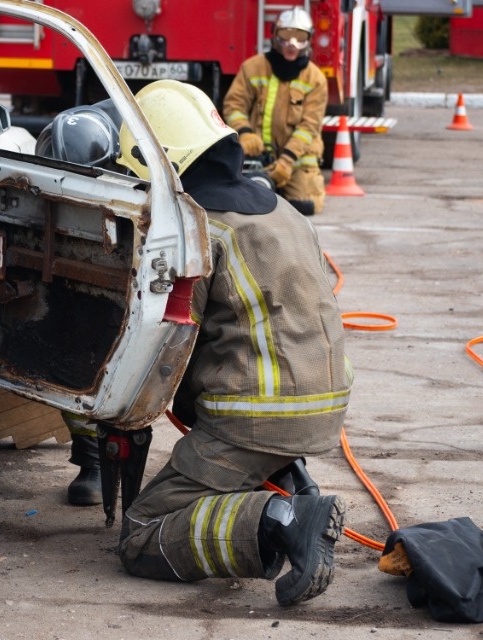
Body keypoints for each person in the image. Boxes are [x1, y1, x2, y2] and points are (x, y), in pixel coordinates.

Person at [114, 79, 351, 606]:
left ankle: (280, 518)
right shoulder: (283, 210)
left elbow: (168, 344)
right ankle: (291, 488)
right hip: (324, 404)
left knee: (140, 533)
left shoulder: (197, 230)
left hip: (255, 417)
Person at [35, 103, 123, 506]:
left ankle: (116, 456)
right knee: (64, 355)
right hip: (73, 282)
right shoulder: (50, 150)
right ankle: (92, 459)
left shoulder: (134, 166)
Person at [222, 7, 327, 216]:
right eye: (285, 36)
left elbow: (309, 127)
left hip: (297, 159)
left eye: (300, 37)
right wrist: (244, 133)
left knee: (305, 206)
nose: (292, 43)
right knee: (239, 205)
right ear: (275, 36)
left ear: (309, 40)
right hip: (256, 155)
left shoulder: (315, 79)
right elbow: (234, 105)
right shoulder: (253, 67)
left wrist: (287, 161)